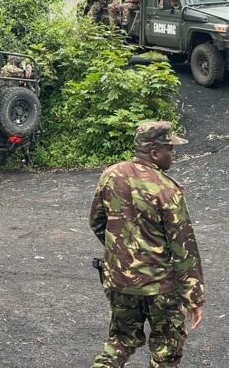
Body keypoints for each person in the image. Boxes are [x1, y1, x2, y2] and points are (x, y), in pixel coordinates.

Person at [90, 121, 205, 368]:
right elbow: (183, 247)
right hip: (160, 288)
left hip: (120, 282)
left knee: (118, 344)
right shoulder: (167, 190)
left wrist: (120, 252)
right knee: (167, 352)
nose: (173, 154)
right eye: (170, 149)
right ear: (154, 153)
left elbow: (98, 222)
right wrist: (193, 297)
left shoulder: (111, 175)